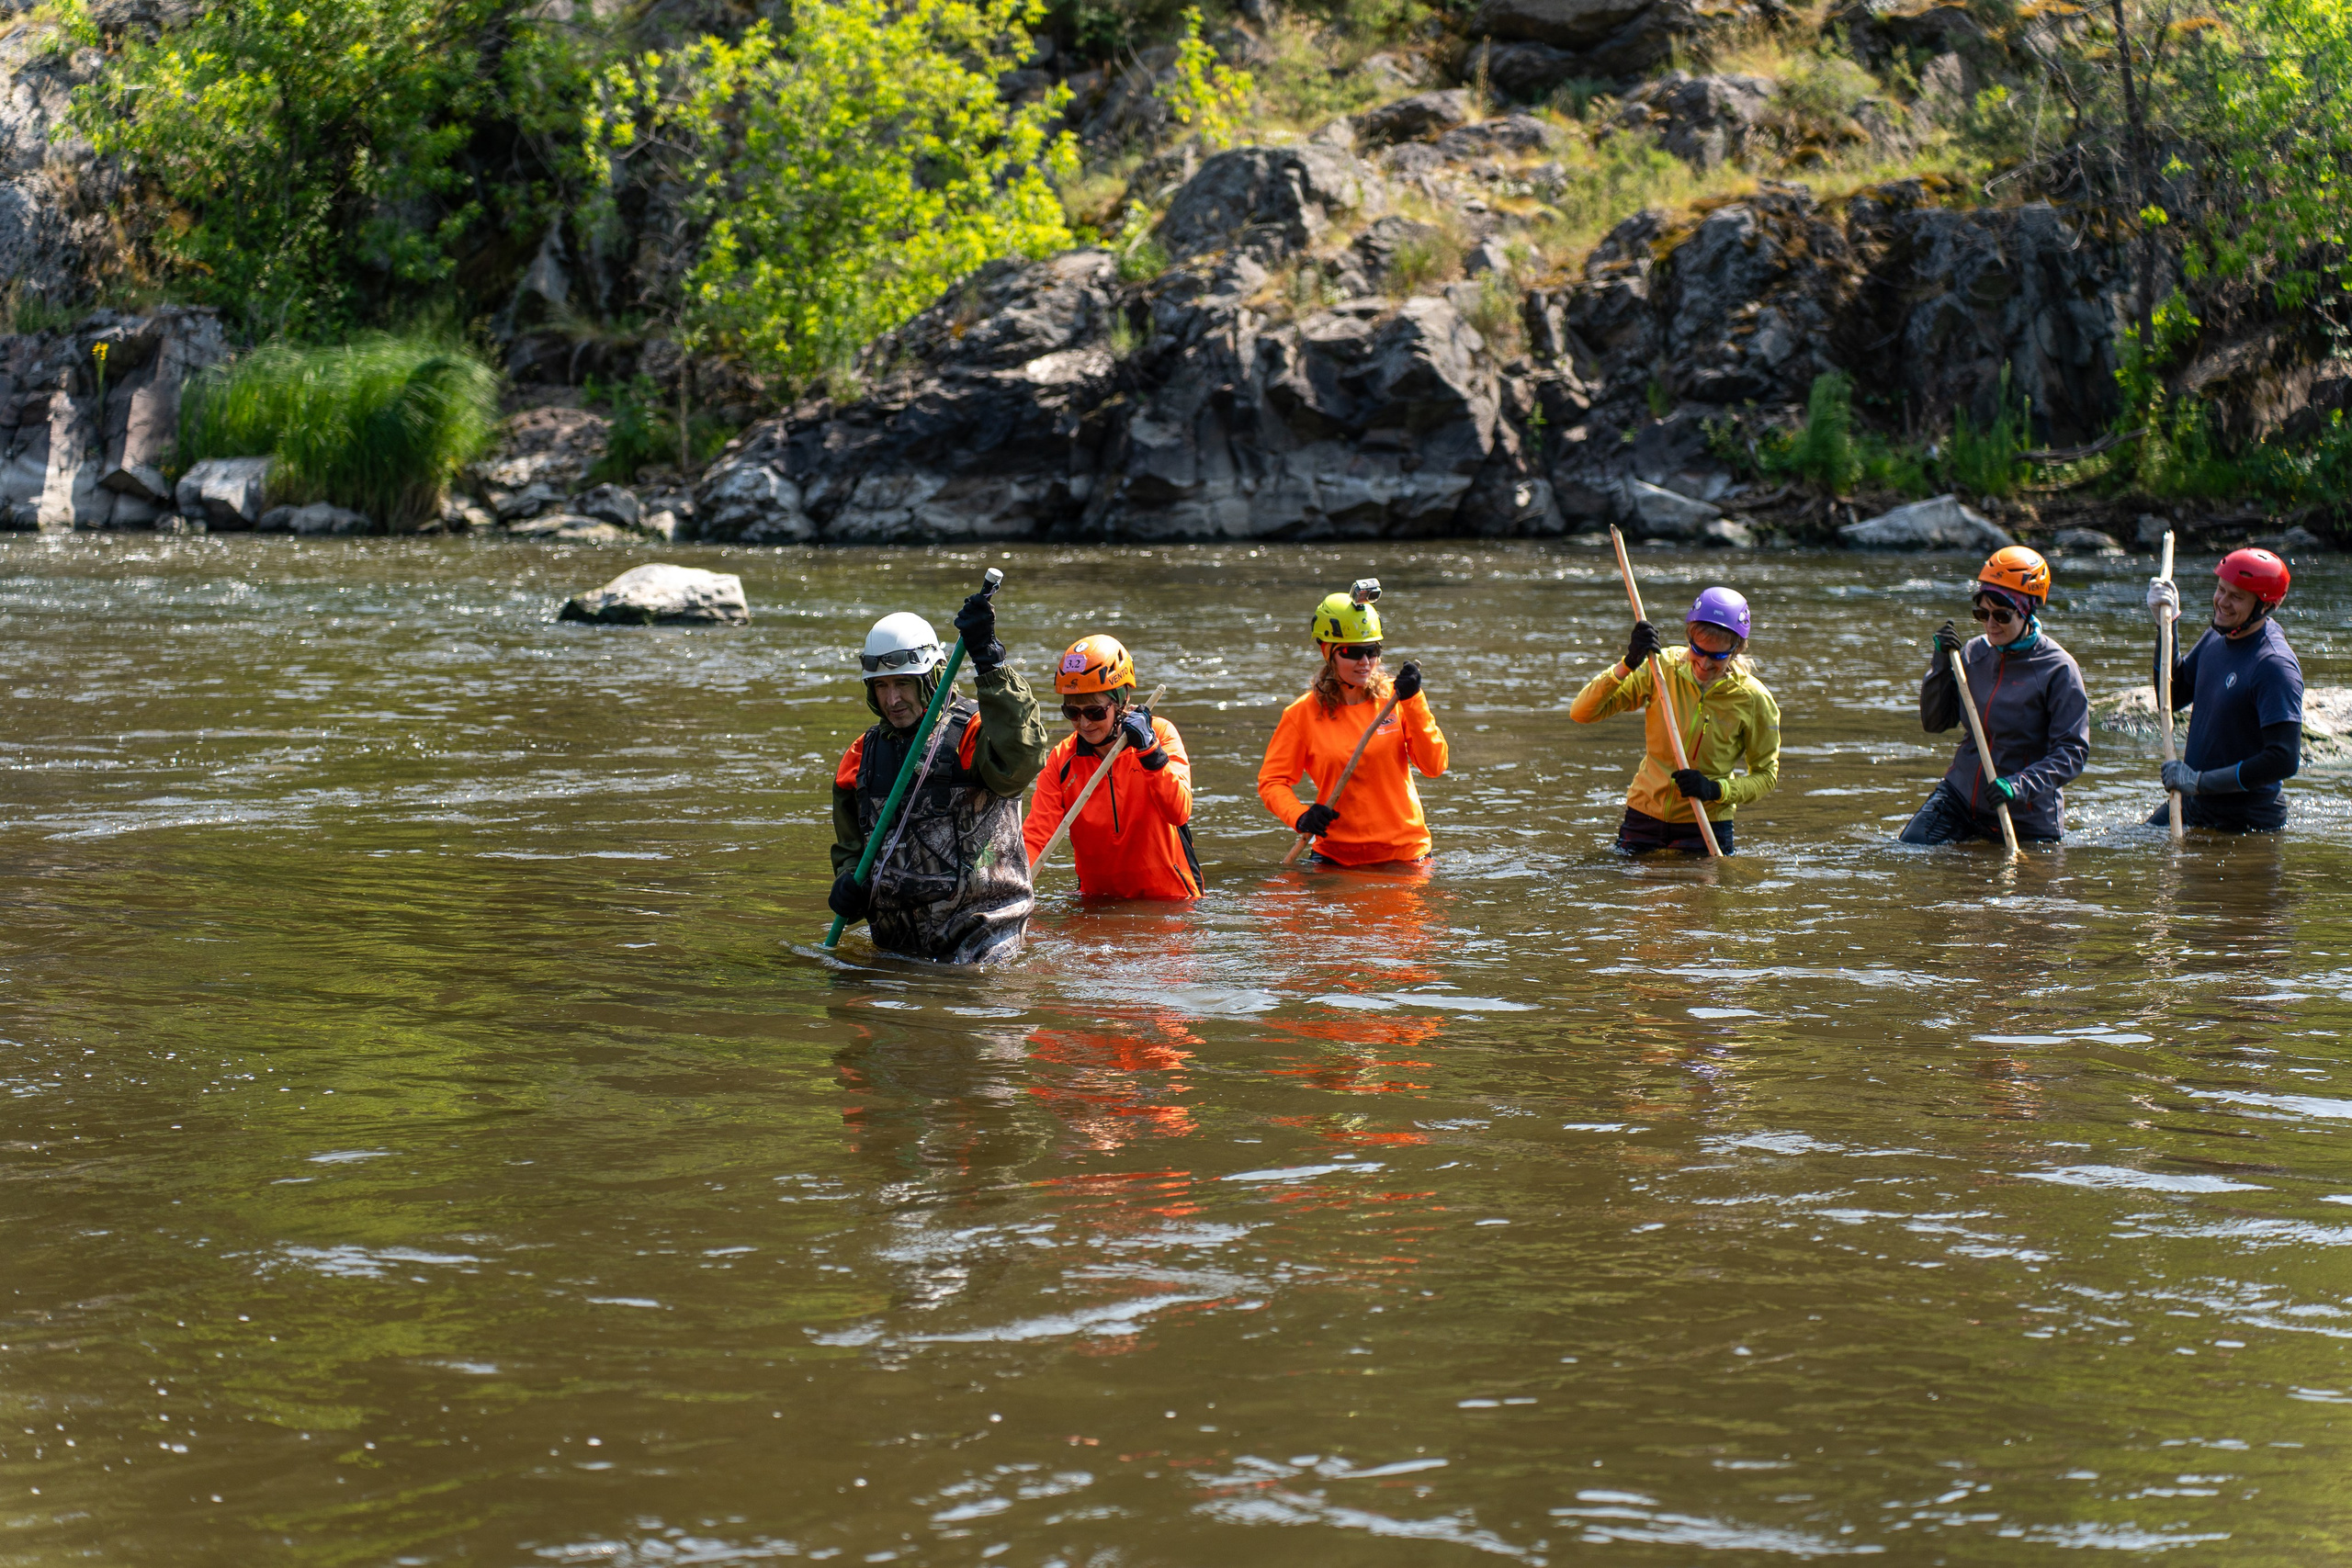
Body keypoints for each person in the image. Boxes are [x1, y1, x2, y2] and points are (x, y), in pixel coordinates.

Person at [827, 588, 1050, 964]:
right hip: (895, 950)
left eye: (903, 683)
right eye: (881, 686)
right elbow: (853, 852)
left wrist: (990, 662)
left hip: (982, 946)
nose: (892, 699)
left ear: (932, 677)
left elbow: (1023, 759)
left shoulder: (977, 731)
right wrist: (849, 887)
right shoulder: (860, 756)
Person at [1570, 586, 1781, 855]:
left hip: (1706, 824)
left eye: (1717, 656)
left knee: (1703, 897)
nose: (1704, 664)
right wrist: (1628, 663)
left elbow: (1766, 776)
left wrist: (1716, 790)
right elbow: (1582, 712)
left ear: (1737, 649)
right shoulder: (1661, 669)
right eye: (1697, 650)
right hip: (1643, 815)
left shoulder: (1754, 699)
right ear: (1688, 638)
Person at [1900, 546, 2088, 845]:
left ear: (2027, 611)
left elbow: (2072, 753)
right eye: (1982, 613)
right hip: (1961, 798)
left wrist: (2018, 785)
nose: (1990, 624)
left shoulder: (2059, 669)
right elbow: (1935, 723)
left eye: (2001, 615)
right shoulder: (1973, 652)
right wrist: (1941, 664)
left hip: (2023, 812)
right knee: (1910, 852)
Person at [1256, 581, 1449, 868]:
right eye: (1351, 652)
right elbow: (1272, 782)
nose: (1365, 662)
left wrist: (1414, 700)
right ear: (1328, 651)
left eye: (1372, 650)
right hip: (1336, 860)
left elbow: (1434, 766)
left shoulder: (1397, 698)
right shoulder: (1302, 714)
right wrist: (1300, 815)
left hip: (1407, 857)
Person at [1023, 634, 1202, 899]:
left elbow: (1179, 812)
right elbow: (1036, 836)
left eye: (1094, 712)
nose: (1084, 724)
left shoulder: (1161, 733)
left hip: (1171, 901)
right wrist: (1012, 883)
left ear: (1121, 702)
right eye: (1072, 713)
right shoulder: (1063, 759)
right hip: (1098, 904)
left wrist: (1150, 753)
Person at [2144, 546, 2303, 832]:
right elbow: (2173, 695)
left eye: (2236, 597)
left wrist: (2200, 783)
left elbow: (2284, 759)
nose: (2222, 602)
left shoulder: (2274, 665)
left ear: (2265, 606)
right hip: (2194, 805)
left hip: (2245, 823)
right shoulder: (2217, 636)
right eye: (2221, 590)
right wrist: (2166, 625)